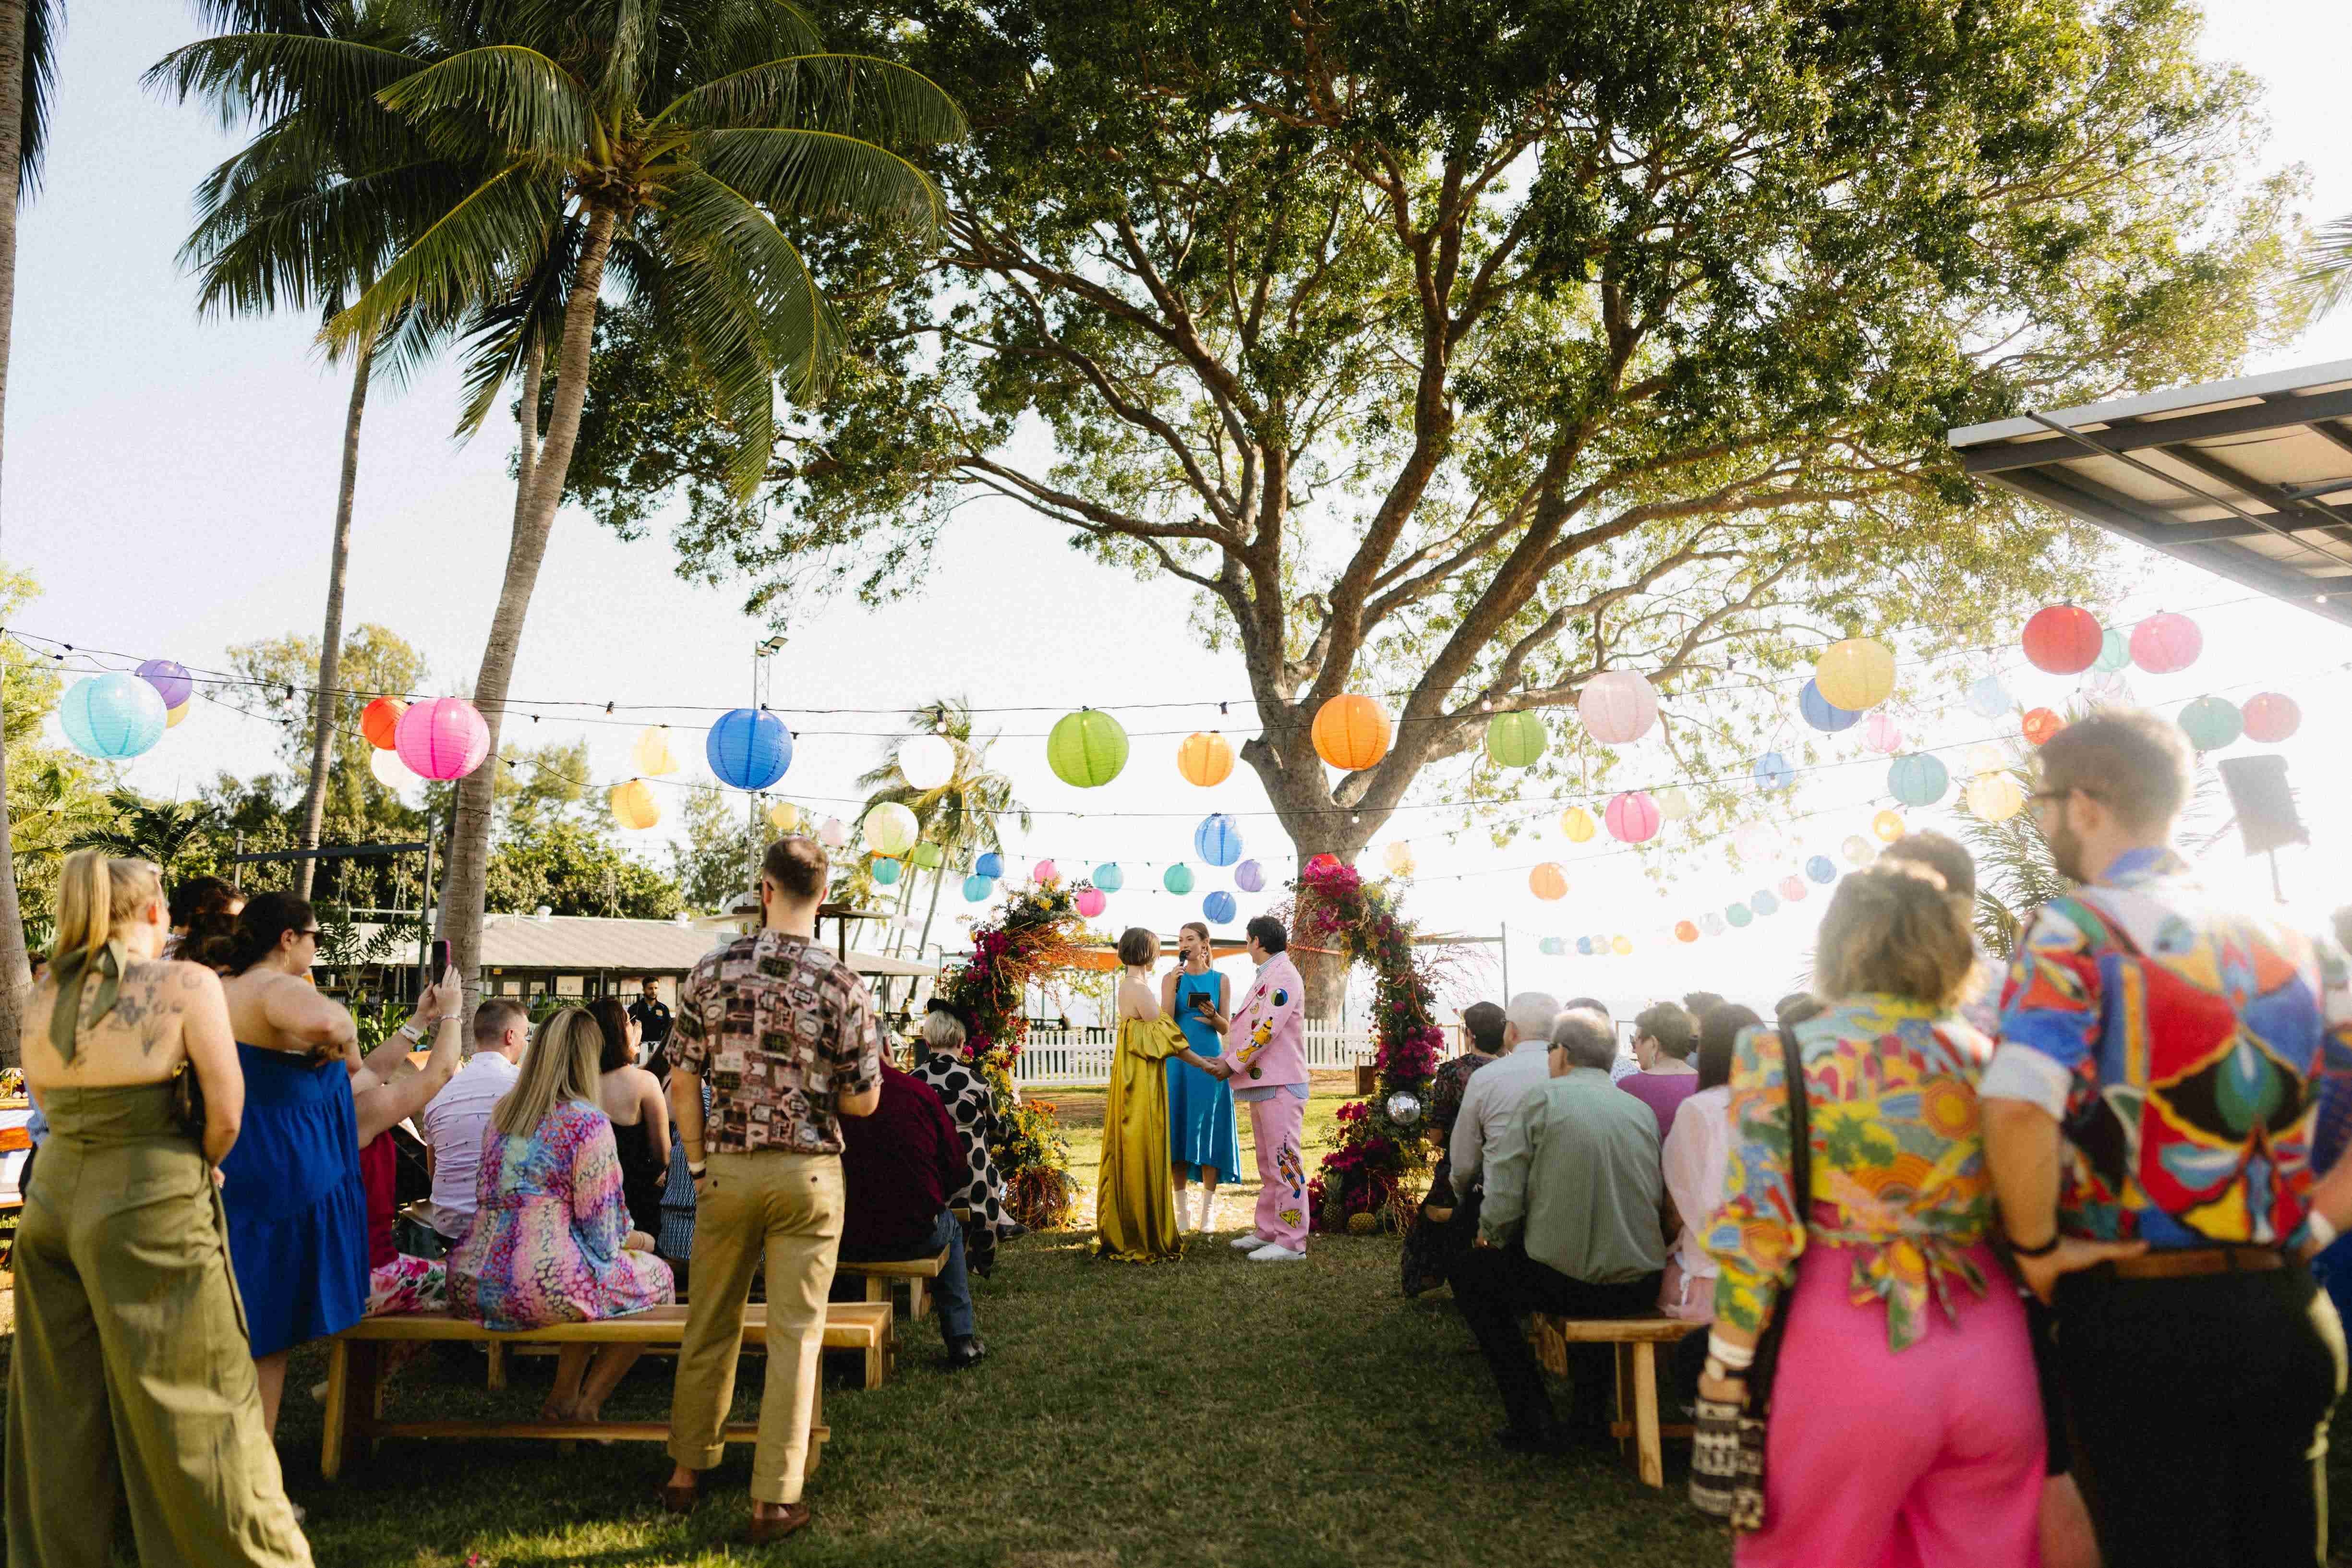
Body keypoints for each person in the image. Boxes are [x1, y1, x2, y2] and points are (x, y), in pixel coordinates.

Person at [1982, 708, 2352, 1567]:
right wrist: (2320, 1225)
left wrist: (2035, 1248)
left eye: (2040, 805)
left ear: (2082, 803)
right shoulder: (2295, 937)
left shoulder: (2080, 928)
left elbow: (2015, 1105)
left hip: (2143, 1317)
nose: (2041, 825)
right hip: (2287, 1308)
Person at [1701, 862, 2041, 1568]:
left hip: (1845, 1359)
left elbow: (1760, 1229)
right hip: (1992, 1354)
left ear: (1837, 943)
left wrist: (1728, 1362)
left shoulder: (1780, 1054)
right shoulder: (1992, 1056)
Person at [6, 851, 312, 1566]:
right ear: (152, 913)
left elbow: (47, 1105)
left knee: (59, 1414)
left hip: (51, 1204)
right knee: (201, 1400)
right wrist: (194, 1161)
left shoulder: (45, 992)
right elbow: (227, 1114)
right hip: (151, 1197)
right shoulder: (185, 982)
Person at [663, 836, 885, 1544]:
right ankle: (773, 1499)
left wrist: (696, 1163)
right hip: (808, 1174)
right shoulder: (842, 982)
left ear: (764, 887)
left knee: (710, 1321)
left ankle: (686, 1470)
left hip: (726, 1169)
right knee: (795, 1335)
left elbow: (683, 1080)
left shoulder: (708, 969)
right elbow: (863, 1103)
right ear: (822, 894)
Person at [1452, 1010, 1666, 1450]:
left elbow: (1505, 1188)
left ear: (1563, 1053)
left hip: (1565, 1282)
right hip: (1641, 1282)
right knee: (1582, 1263)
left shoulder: (1542, 1100)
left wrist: (1489, 1234)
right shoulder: (1638, 1110)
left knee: (1473, 1274)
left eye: (1551, 1049)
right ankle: (1587, 1417)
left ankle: (1532, 1419)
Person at [448, 1007, 674, 1424]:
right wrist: (645, 1242)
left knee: (586, 1277)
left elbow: (487, 1193)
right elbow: (605, 1235)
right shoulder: (586, 1123)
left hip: (473, 1279)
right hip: (541, 1285)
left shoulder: (504, 1114)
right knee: (658, 1280)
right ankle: (586, 1406)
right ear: (588, 1058)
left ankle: (562, 1397)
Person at [217, 892, 389, 1437]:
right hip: (277, 1168)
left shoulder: (218, 986)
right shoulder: (274, 985)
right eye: (315, 935)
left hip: (235, 1158)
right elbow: (326, 1021)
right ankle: (255, 1475)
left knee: (244, 1324)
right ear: (288, 938)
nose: (318, 945)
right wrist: (347, 1028)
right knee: (266, 1331)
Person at [838, 1057, 987, 1368]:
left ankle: (840, 1333)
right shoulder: (917, 1092)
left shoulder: (831, 1097)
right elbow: (956, 1167)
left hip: (845, 1237)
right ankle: (960, 1338)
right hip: (915, 1232)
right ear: (887, 1050)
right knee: (953, 1230)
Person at [1099, 927, 1234, 1262]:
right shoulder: (1143, 990)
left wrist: (1212, 1022)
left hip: (1144, 1071)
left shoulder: (1134, 986)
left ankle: (1195, 1211)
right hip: (1149, 1074)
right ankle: (1154, 1219)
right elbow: (1167, 1036)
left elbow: (1169, 1033)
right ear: (1149, 954)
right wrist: (1202, 1064)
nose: (1178, 948)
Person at [1214, 915, 1312, 1261]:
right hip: (1267, 1081)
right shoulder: (1271, 973)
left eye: (1247, 939)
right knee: (1269, 1163)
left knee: (1285, 1161)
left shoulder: (1283, 974)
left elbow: (1267, 1027)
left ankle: (1291, 1241)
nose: (1246, 945)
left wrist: (1231, 1062)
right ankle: (1269, 1230)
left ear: (1256, 941)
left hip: (1281, 1081)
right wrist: (1229, 1057)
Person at [1659, 1002, 1759, 1323]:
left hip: (1710, 1276)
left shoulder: (1700, 1108)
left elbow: (1677, 1199)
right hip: (1772, 1274)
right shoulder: (1782, 1105)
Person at [907, 999, 1022, 1276]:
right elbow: (997, 1130)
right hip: (972, 1186)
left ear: (928, 1040)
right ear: (961, 1042)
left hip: (927, 1185)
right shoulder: (977, 1082)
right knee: (985, 1165)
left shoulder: (912, 1082)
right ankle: (985, 1246)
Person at [1401, 999, 1506, 1297]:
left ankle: (1428, 1280)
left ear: (1470, 1034)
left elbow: (1436, 1135)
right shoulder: (1510, 1073)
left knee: (1430, 1222)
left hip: (1461, 1168)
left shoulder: (1450, 1072)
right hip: (1505, 1166)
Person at [423, 1000, 530, 1250]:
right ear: (511, 1036)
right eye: (525, 1035)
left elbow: (434, 1169)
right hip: (506, 1232)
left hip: (448, 1228)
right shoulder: (526, 1088)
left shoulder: (440, 1092)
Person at [1162, 920, 1241, 1232]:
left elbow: (1226, 1028)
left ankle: (1208, 1211)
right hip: (1178, 1062)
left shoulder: (1220, 979)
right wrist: (1173, 985)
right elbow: (1165, 1021)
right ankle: (1181, 1210)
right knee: (1178, 1130)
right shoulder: (1172, 978)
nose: (1185, 944)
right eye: (1181, 940)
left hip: (1209, 1058)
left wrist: (1214, 1016)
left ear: (1205, 944)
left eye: (1190, 939)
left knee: (1209, 1128)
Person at [1449, 991, 1564, 1200]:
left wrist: (1461, 1194)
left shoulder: (1485, 1079)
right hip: (1563, 1207)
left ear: (1512, 1031)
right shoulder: (1574, 1076)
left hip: (1503, 1207)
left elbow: (1463, 1163)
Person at [589, 995, 670, 1238]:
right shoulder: (644, 1083)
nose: (637, 1028)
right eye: (629, 1023)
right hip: (635, 1201)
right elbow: (663, 1155)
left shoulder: (578, 1083)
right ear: (616, 1034)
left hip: (590, 1200)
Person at [1620, 1000, 1701, 1139]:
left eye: (1636, 1040)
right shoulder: (1705, 1086)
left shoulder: (1629, 1087)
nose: (1634, 1048)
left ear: (1653, 1043)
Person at [166, 873, 243, 960]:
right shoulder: (200, 957)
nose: (236, 929)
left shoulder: (156, 948)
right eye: (229, 920)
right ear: (200, 913)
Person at [629, 977, 673, 1061]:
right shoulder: (635, 1008)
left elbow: (668, 1029)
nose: (654, 991)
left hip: (659, 1050)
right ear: (644, 990)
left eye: (656, 988)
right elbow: (629, 1030)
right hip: (639, 1051)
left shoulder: (664, 1009)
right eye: (650, 988)